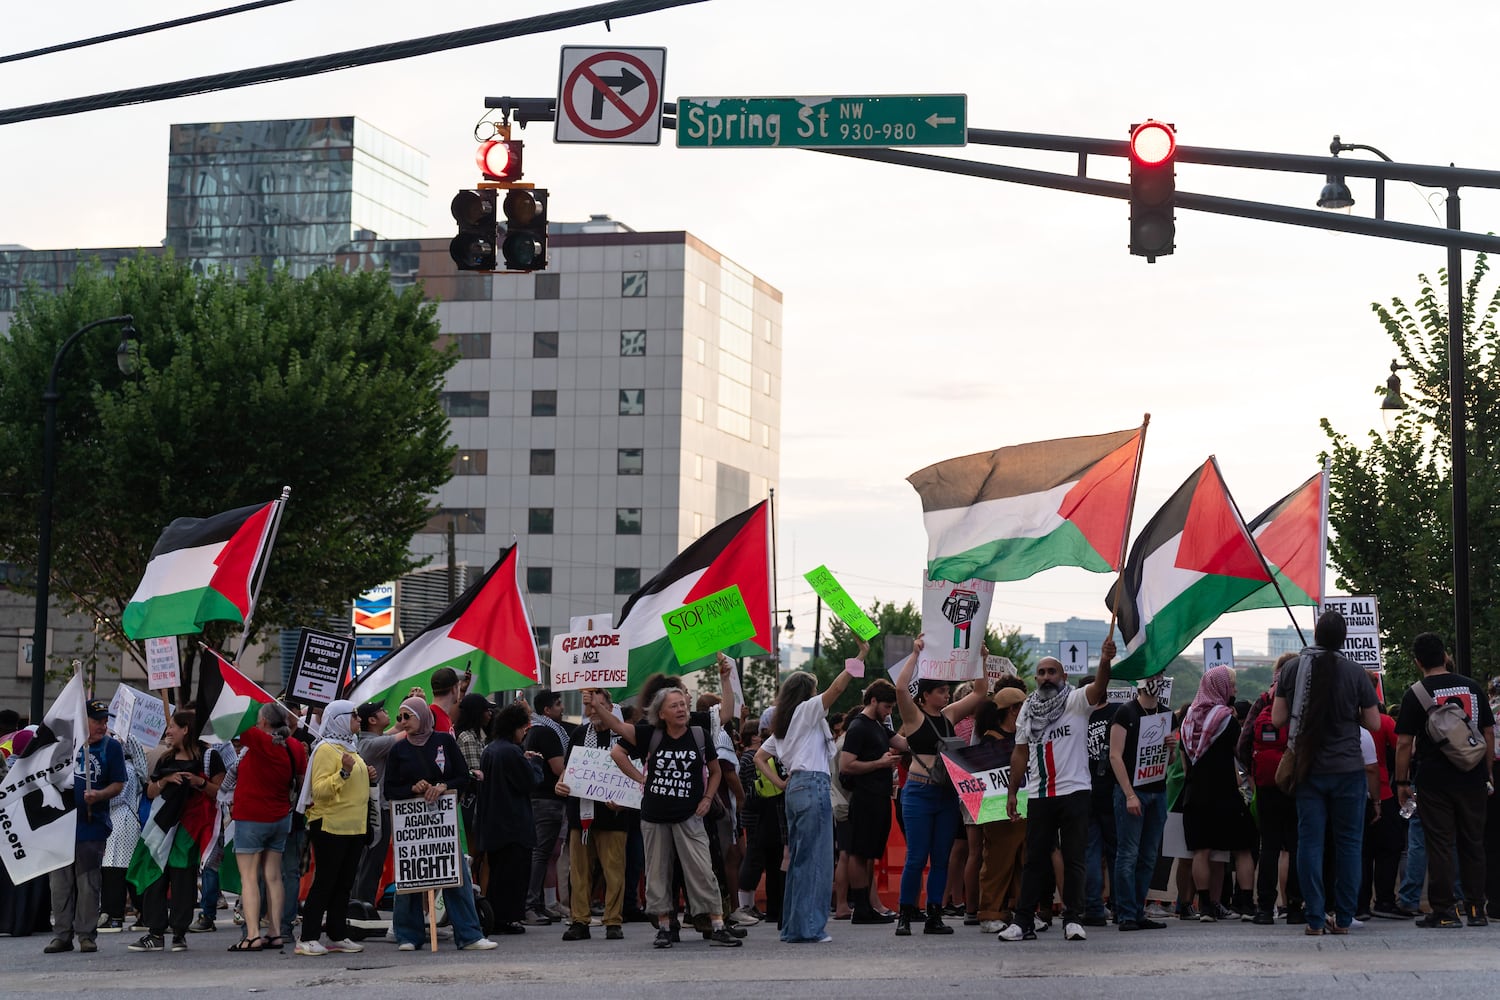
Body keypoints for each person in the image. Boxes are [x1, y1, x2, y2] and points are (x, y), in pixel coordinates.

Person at [604, 685, 741, 948]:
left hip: (690, 815)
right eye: (674, 705)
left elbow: (715, 772)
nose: (681, 709)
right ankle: (665, 928)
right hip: (654, 817)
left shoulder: (699, 734)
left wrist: (707, 799)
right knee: (657, 873)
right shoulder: (650, 735)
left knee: (702, 870)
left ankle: (717, 925)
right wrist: (640, 778)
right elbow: (619, 731)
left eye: (682, 704)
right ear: (661, 713)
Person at [1272, 610, 1380, 935]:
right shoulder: (1356, 672)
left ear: (1316, 634)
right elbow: (1374, 723)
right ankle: (1344, 919)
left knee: (1310, 843)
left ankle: (1315, 919)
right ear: (1343, 639)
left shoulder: (1292, 668)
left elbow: (1278, 719)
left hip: (1308, 768)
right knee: (1349, 844)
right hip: (1348, 768)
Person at [998, 640, 1114, 943]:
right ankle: (1023, 921)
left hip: (1074, 791)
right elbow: (1020, 753)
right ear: (1035, 678)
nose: (1046, 676)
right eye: (1041, 672)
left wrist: (1104, 661)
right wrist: (1012, 792)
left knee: (1075, 857)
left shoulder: (1075, 701)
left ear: (1063, 676)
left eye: (1052, 671)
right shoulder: (1027, 709)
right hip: (1039, 793)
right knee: (1035, 860)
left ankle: (1073, 919)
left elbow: (1099, 687)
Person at [1394, 632, 1495, 928]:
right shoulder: (1473, 688)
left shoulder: (1417, 693)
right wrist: (1486, 771)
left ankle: (1445, 911)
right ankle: (1476, 909)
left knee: (1439, 843)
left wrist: (1402, 783)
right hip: (1473, 775)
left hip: (1434, 779)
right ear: (1446, 656)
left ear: (1417, 662)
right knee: (1473, 842)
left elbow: (1403, 743)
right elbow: (1488, 732)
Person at [892, 635, 991, 936]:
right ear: (924, 696)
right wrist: (915, 654)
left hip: (946, 794)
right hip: (919, 794)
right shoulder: (913, 716)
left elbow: (980, 691)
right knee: (916, 856)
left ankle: (934, 913)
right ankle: (906, 913)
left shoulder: (949, 716)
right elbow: (899, 688)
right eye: (940, 691)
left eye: (947, 691)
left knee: (941, 858)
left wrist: (981, 659)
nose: (946, 696)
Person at [385, 698, 496, 951]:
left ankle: (469, 935)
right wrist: (412, 788)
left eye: (407, 717)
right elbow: (390, 788)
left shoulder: (444, 742)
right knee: (410, 877)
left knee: (455, 875)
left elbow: (462, 776)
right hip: (412, 824)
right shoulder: (398, 750)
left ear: (423, 716)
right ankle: (409, 935)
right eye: (399, 718)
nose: (402, 722)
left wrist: (444, 786)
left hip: (442, 823)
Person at [768, 646, 860, 943]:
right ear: (807, 693)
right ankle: (809, 927)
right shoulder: (806, 711)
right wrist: (858, 658)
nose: (820, 694)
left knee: (799, 860)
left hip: (796, 788)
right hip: (812, 785)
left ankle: (794, 928)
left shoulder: (784, 722)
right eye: (815, 690)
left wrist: (781, 782)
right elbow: (837, 688)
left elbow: (759, 755)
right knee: (817, 860)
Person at [128, 709, 215, 954]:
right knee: (156, 877)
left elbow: (220, 791)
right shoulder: (165, 760)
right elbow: (150, 792)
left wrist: (199, 783)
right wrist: (166, 781)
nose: (168, 731)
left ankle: (179, 933)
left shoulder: (207, 757)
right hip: (161, 826)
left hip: (188, 829)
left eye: (172, 727)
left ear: (185, 729)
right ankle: (155, 932)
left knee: (183, 880)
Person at [44, 698, 125, 955]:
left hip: (91, 826)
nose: (102, 725)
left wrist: (99, 795)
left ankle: (86, 935)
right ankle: (62, 934)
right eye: (96, 720)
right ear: (83, 721)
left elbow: (118, 783)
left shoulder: (111, 748)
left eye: (105, 720)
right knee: (59, 884)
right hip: (61, 826)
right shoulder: (65, 747)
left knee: (88, 883)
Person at [1179, 665, 1256, 922]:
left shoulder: (1188, 719)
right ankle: (1245, 903)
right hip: (1225, 793)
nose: (1233, 690)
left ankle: (1205, 907)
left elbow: (1184, 762)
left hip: (1195, 793)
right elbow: (1241, 753)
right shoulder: (1225, 719)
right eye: (1231, 685)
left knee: (1200, 850)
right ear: (1221, 687)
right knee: (1243, 847)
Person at [553, 688, 631, 941]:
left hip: (614, 814)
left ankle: (612, 921)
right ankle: (580, 920)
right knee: (580, 870)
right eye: (589, 706)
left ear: (609, 707)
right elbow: (568, 768)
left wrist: (625, 799)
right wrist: (560, 783)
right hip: (582, 814)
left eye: (597, 705)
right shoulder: (578, 734)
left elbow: (634, 772)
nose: (592, 711)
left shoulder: (622, 735)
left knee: (614, 870)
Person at [227, 702, 306, 952]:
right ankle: (275, 931)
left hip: (252, 817)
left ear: (263, 722)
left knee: (249, 878)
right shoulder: (294, 746)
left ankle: (252, 934)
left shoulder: (261, 741)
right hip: (281, 816)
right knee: (274, 877)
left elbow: (232, 720)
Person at [296, 699, 371, 956]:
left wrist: (366, 774)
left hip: (353, 826)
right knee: (326, 882)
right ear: (339, 719)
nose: (359, 720)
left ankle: (337, 933)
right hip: (331, 825)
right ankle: (308, 936)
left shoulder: (351, 747)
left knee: (344, 883)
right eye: (354, 716)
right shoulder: (326, 750)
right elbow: (320, 790)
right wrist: (344, 773)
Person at [1109, 674, 1176, 931]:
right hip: (1133, 791)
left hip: (1157, 792)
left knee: (1148, 856)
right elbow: (1115, 756)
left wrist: (1171, 748)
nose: (1157, 680)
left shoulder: (1167, 715)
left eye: (1160, 676)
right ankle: (1125, 913)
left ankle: (1137, 910)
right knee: (1128, 854)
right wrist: (1129, 794)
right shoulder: (1126, 713)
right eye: (1153, 676)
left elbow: (1168, 761)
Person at [839, 678, 907, 925]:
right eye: (887, 707)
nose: (889, 712)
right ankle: (861, 908)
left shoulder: (879, 726)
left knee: (869, 854)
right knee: (859, 853)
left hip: (879, 797)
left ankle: (866, 906)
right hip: (865, 797)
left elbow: (903, 743)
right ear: (874, 700)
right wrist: (880, 763)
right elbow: (846, 765)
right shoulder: (859, 727)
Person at [478, 701, 542, 936]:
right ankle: (508, 918)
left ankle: (497, 917)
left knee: (498, 875)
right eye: (523, 728)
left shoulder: (492, 749)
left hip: (494, 823)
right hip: (514, 824)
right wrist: (535, 764)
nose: (525, 732)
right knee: (514, 876)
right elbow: (529, 782)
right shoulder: (511, 752)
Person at [1248, 656, 1302, 925]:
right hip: (1293, 783)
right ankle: (1294, 907)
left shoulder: (1264, 701)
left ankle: (1265, 909)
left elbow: (1243, 741)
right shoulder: (1303, 698)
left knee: (1268, 846)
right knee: (1294, 846)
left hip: (1267, 784)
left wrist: (1254, 772)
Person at [524, 689, 569, 925]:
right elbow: (557, 767)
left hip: (541, 800)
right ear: (547, 710)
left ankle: (541, 904)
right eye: (559, 704)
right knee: (541, 853)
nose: (563, 708)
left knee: (547, 853)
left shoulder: (536, 729)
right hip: (547, 801)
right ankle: (531, 904)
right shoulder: (548, 733)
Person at [352, 701, 399, 908]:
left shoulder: (372, 741)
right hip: (378, 810)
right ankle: (363, 906)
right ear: (371, 720)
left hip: (374, 808)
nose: (386, 711)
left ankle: (360, 904)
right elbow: (404, 733)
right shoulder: (374, 745)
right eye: (381, 711)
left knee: (370, 860)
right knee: (373, 861)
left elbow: (396, 730)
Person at [1082, 676, 1120, 926]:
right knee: (1117, 852)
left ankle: (1094, 908)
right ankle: (1119, 906)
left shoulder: (1077, 717)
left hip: (1084, 790)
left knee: (1091, 852)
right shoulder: (1119, 713)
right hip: (1114, 790)